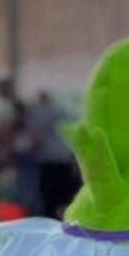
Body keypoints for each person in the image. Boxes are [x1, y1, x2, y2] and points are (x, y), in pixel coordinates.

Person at [29, 91, 80, 219]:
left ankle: (51, 222)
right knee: (65, 196)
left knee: (49, 199)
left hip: (48, 160)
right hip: (65, 159)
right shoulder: (62, 112)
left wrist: (31, 151)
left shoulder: (41, 113)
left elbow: (36, 137)